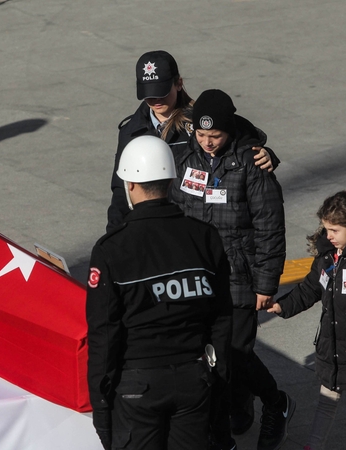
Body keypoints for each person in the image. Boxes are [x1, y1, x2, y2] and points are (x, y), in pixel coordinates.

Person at [87, 135, 233, 450]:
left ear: (130, 186)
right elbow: (221, 318)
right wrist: (216, 379)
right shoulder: (205, 238)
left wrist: (101, 404)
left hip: (137, 386)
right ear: (170, 181)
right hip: (194, 381)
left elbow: (104, 335)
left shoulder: (112, 250)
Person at [169, 89, 292, 450]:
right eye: (201, 135)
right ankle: (238, 408)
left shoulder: (252, 164)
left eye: (215, 136)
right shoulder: (185, 158)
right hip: (196, 276)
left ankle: (275, 402)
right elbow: (175, 210)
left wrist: (266, 283)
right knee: (212, 353)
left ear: (229, 132)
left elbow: (271, 226)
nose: (207, 143)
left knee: (235, 352)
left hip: (239, 277)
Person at [267, 191, 346, 450]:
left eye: (334, 230)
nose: (328, 236)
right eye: (326, 229)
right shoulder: (328, 257)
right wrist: (282, 305)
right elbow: (309, 289)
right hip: (332, 346)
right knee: (327, 399)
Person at [106, 50, 277, 232]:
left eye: (161, 92)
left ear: (179, 83)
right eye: (149, 94)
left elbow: (238, 136)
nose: (156, 100)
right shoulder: (130, 132)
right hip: (149, 230)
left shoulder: (201, 121)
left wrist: (266, 155)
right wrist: (113, 237)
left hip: (189, 228)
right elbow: (121, 191)